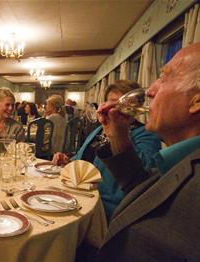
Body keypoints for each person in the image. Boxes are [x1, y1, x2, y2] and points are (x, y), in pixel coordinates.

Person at [95, 43, 200, 260]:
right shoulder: (178, 159)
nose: (150, 90)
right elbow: (143, 190)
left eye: (164, 77)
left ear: (196, 101)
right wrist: (119, 135)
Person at [54, 80, 161, 220]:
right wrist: (68, 160)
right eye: (111, 102)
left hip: (105, 208)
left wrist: (118, 134)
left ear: (136, 105)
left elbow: (143, 176)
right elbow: (82, 158)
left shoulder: (145, 133)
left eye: (122, 103)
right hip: (78, 196)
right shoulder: (100, 129)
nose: (115, 108)